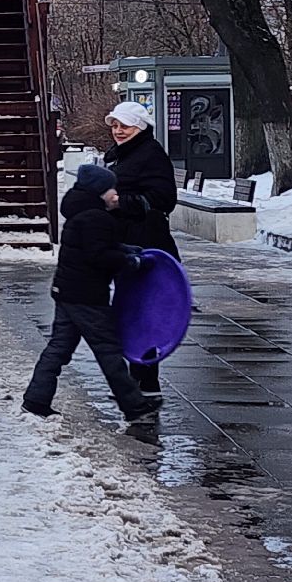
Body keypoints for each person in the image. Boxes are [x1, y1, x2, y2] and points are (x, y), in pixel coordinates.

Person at [23, 164, 162, 422]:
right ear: (99, 192)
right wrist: (131, 262)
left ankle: (35, 399)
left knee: (59, 348)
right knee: (109, 350)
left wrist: (127, 248)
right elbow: (99, 255)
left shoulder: (82, 213)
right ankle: (134, 406)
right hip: (86, 296)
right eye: (112, 190)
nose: (116, 195)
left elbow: (97, 245)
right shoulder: (97, 218)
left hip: (66, 290)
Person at [103, 100, 177, 396]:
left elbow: (163, 198)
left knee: (142, 313)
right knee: (132, 310)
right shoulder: (123, 154)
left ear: (141, 127)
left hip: (146, 245)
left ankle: (146, 381)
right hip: (127, 243)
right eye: (115, 126)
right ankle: (139, 378)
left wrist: (120, 202)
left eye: (125, 126)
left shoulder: (150, 155)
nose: (119, 131)